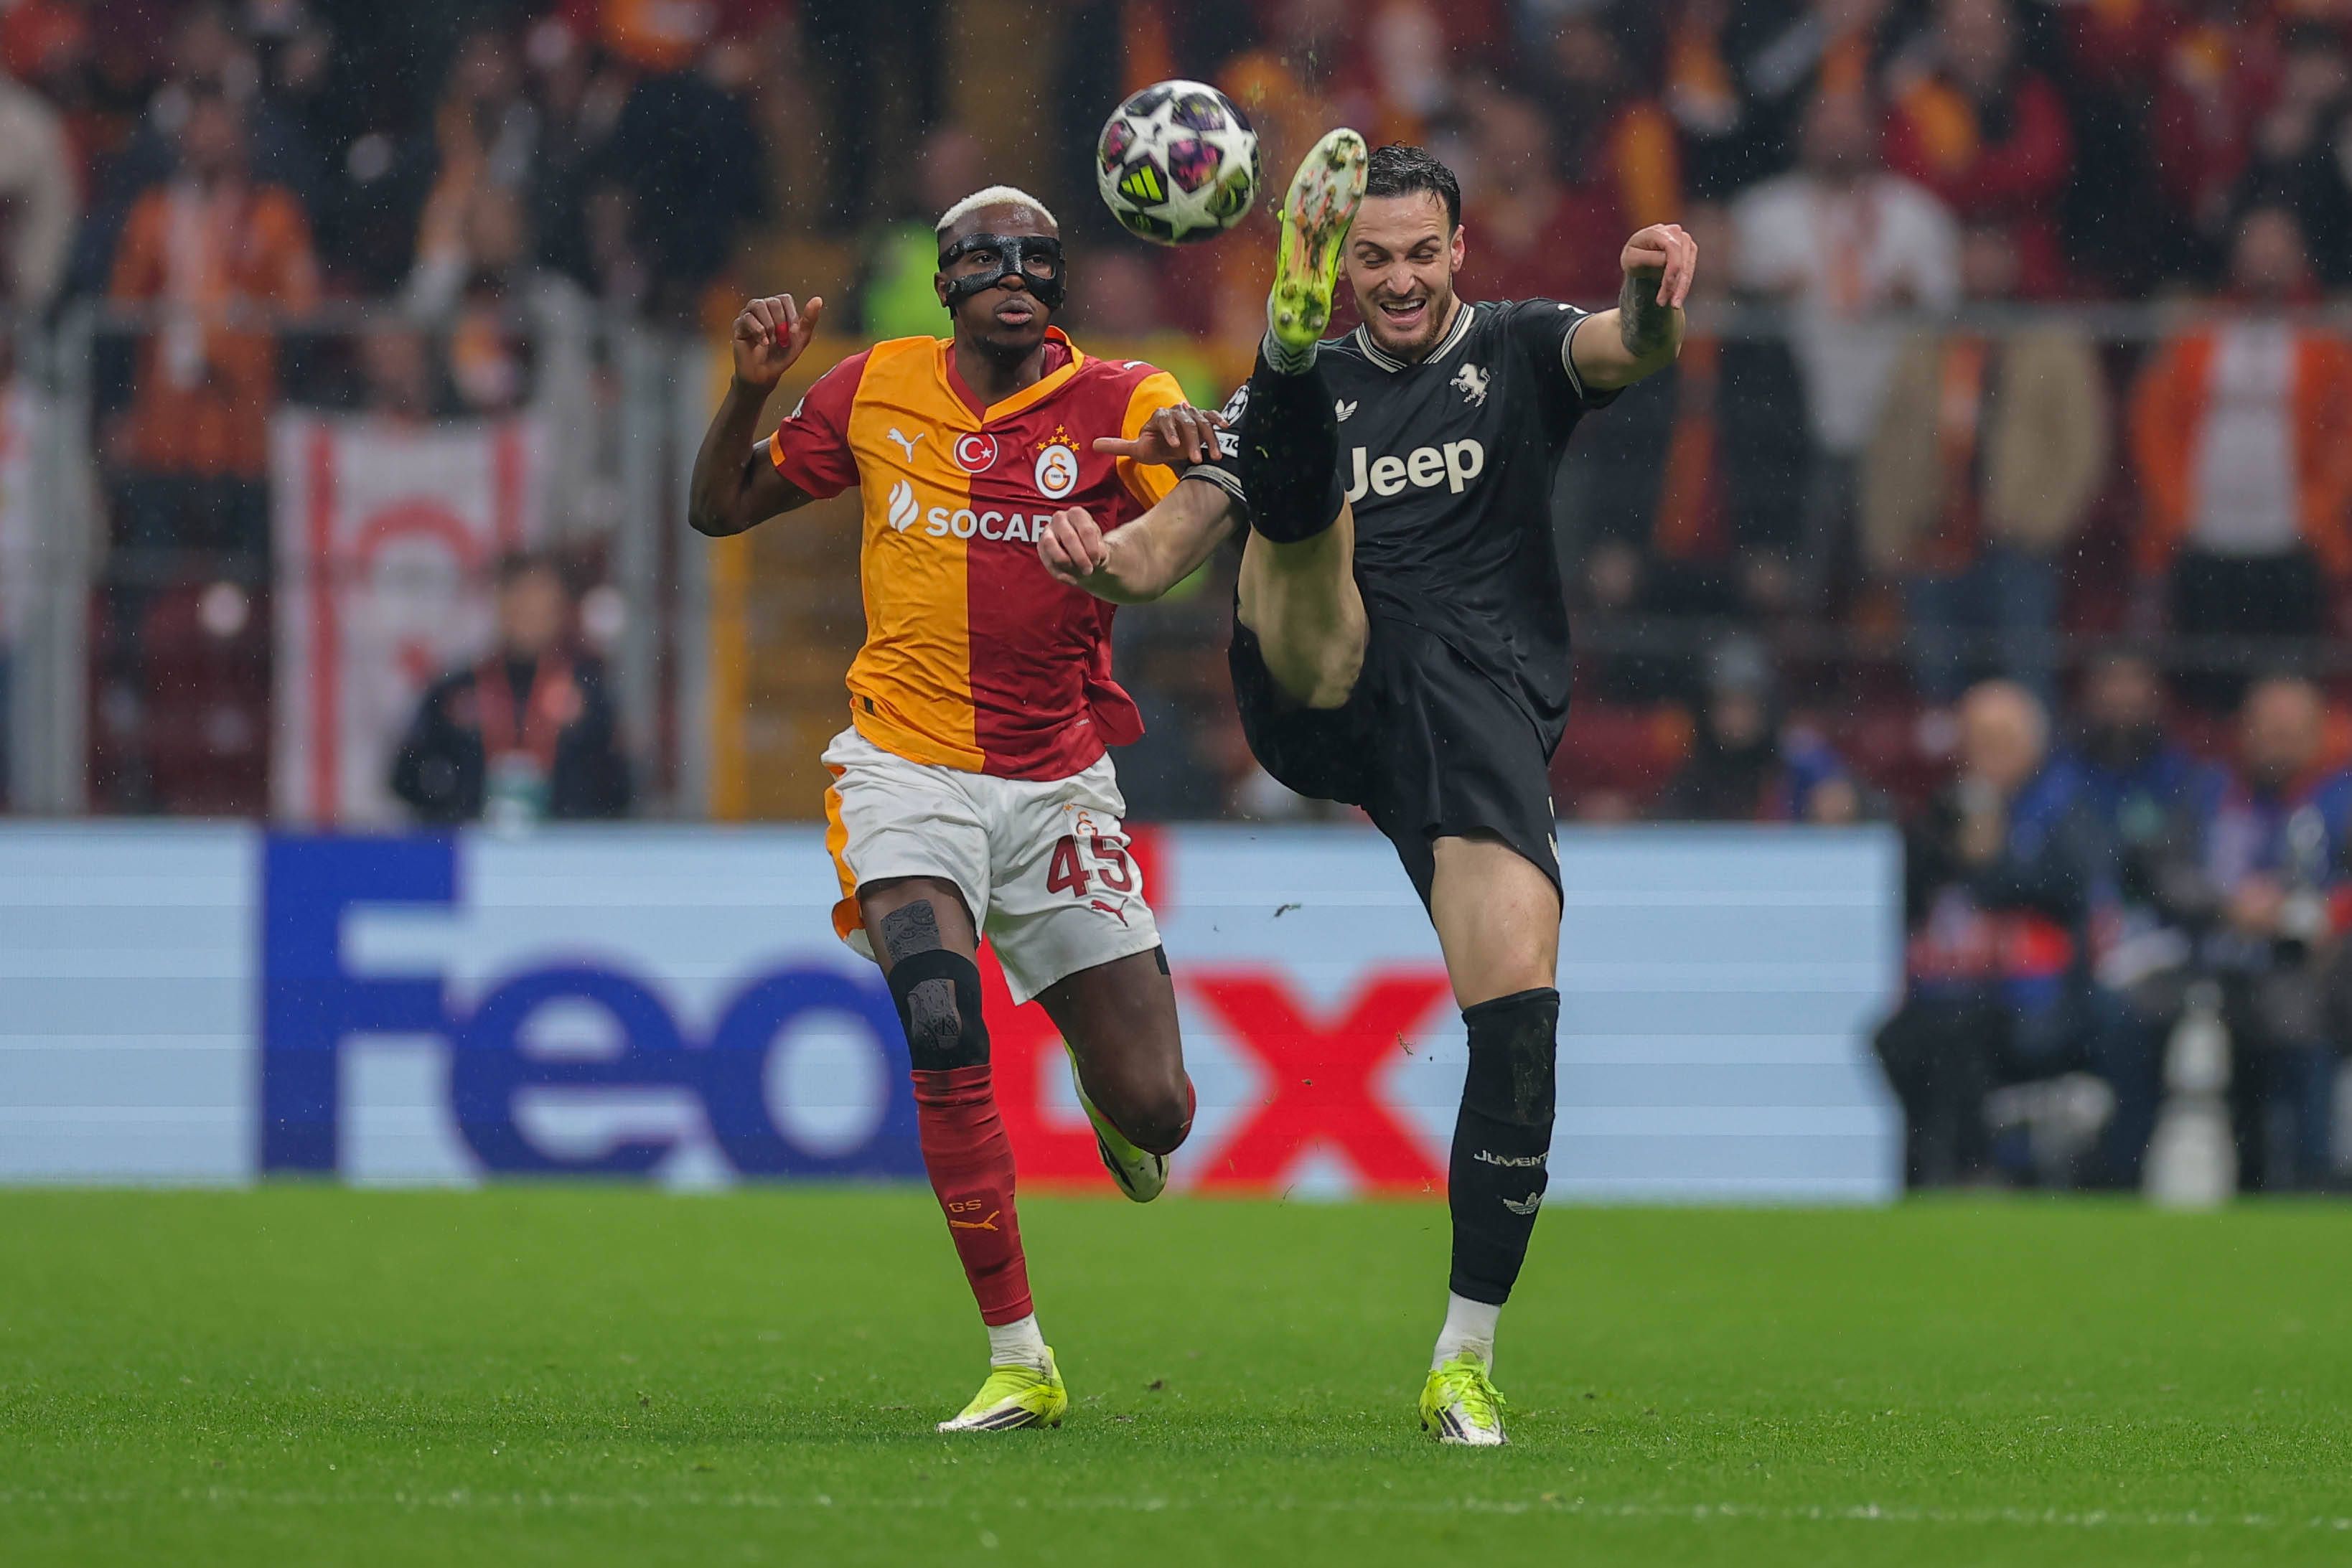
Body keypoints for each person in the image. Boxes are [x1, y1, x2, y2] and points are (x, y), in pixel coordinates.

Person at [1035, 136, 1696, 1445]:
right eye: (1368, 259)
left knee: (1519, 1008)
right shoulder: (1319, 380)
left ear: (1459, 251)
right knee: (1304, 503)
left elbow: (1632, 354)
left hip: (1470, 716)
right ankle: (1278, 376)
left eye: (1416, 256)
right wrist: (1097, 557)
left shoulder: (1516, 347)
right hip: (1316, 666)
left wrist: (1646, 297)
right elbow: (1161, 550)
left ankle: (1462, 1359)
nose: (1395, 281)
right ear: (1336, 270)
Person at [687, 185, 1217, 1434]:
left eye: (1037, 255)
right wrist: (751, 388)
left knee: (1161, 1109)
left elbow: (1192, 502)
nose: (1014, 272)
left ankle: (1109, 1103)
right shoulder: (873, 386)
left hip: (1057, 781)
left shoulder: (1124, 402)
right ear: (942, 283)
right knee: (939, 1012)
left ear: (1059, 283)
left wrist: (1194, 460)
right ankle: (1019, 1356)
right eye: (984, 256)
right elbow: (720, 510)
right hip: (904, 767)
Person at [1861, 221, 2109, 708]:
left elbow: (2082, 444)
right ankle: (1946, 781)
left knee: (2025, 679)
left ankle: (2032, 780)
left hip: (2016, 540)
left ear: (2013, 261)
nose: (1981, 265)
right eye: (1971, 253)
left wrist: (2044, 521)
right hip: (1932, 535)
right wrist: (1886, 534)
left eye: (1992, 252)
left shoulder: (2052, 341)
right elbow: (1889, 442)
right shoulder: (1927, 343)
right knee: (1937, 682)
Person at [2131, 205, 2352, 710]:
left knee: (2288, 686)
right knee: (2207, 689)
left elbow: (2343, 435)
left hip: (2292, 541)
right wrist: (2177, 507)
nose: (2267, 260)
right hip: (2204, 537)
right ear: (2236, 256)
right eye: (2257, 247)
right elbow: (2154, 425)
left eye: (2278, 248)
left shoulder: (2324, 340)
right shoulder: (2196, 333)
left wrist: (2316, 511)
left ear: (2299, 257)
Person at [390, 553, 632, 827]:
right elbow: (405, 777)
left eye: (538, 604)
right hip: (473, 850)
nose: (527, 616)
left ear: (559, 611)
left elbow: (620, 787)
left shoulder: (589, 694)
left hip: (564, 853)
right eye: (518, 601)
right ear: (500, 605)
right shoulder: (456, 691)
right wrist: (456, 796)